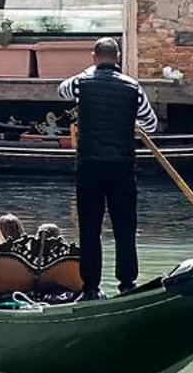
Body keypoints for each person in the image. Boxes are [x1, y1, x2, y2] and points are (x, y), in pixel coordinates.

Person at [56, 37, 159, 298]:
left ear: (94, 57)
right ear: (119, 59)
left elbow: (61, 90)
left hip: (90, 165)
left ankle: (91, 288)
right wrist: (129, 125)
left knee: (90, 229)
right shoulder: (132, 87)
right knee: (125, 228)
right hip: (122, 167)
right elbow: (151, 124)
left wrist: (89, 72)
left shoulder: (82, 82)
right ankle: (127, 285)